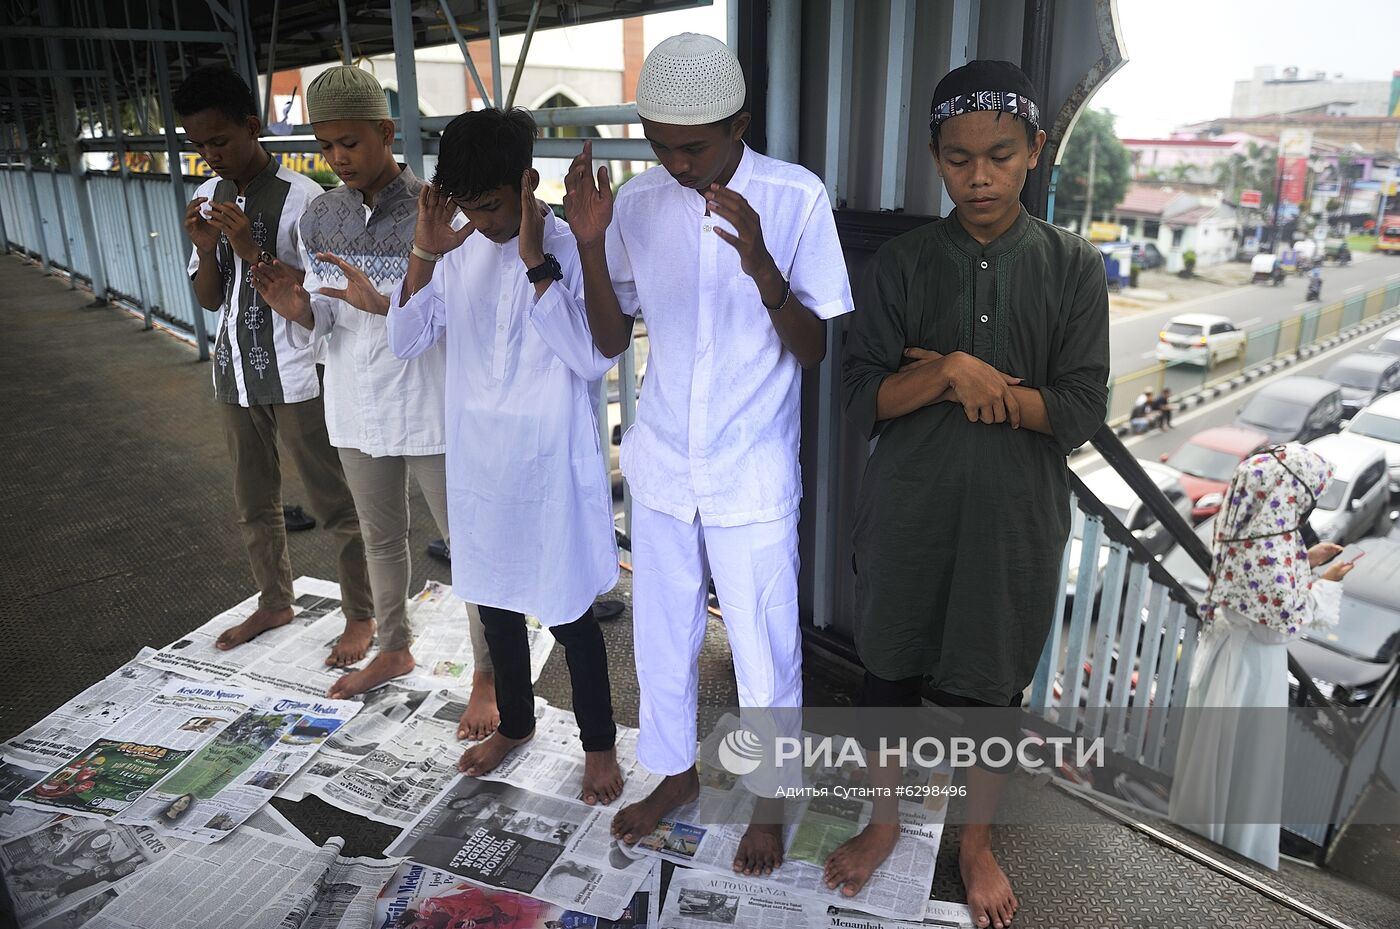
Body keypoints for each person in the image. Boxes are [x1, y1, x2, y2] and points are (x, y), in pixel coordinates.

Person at [562, 33, 855, 874]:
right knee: (660, 635)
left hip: (750, 468)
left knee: (763, 643)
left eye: (692, 146)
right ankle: (678, 774)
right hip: (660, 466)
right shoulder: (643, 205)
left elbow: (813, 349)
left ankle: (770, 797)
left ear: (741, 125)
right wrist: (588, 239)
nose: (675, 162)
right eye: (660, 144)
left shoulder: (795, 198)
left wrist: (763, 264)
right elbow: (613, 333)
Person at [838, 60, 1109, 928]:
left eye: (999, 154)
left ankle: (976, 841)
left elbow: (1078, 412)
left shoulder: (1074, 268)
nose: (979, 176)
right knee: (888, 674)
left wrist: (979, 384)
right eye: (958, 159)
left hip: (1012, 526)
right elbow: (861, 396)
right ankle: (885, 821)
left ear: (1035, 149)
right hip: (908, 512)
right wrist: (954, 372)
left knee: (989, 691)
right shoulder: (907, 263)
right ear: (934, 157)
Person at [243, 67, 498, 733]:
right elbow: (325, 318)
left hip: (434, 404)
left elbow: (459, 316)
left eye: (350, 142)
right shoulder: (320, 214)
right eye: (326, 146)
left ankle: (486, 676)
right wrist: (297, 306)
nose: (338, 158)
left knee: (469, 546)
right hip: (355, 405)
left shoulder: (438, 209)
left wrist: (384, 305)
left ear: (386, 133)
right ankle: (394, 647)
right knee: (382, 538)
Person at [388, 108, 624, 805]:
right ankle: (516, 724)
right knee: (493, 602)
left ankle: (599, 744)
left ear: (527, 183)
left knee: (570, 612)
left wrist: (535, 264)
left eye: (489, 205)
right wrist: (426, 252)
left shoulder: (569, 245)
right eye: (464, 204)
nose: (478, 219)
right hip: (481, 463)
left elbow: (589, 354)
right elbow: (405, 341)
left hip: (549, 464)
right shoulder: (455, 246)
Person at [175, 65, 374, 663]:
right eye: (198, 145)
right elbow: (209, 297)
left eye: (220, 141)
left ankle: (361, 614)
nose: (210, 156)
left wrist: (248, 248)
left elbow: (318, 295)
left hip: (294, 368)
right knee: (253, 500)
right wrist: (210, 250)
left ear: (251, 127)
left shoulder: (305, 199)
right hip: (233, 367)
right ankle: (273, 599)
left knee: (334, 499)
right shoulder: (208, 198)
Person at [1169, 444, 1354, 868]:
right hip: (1251, 668)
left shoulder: (1251, 529)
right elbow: (1280, 622)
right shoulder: (1271, 543)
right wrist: (1324, 582)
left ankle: (1207, 834)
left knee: (1220, 757)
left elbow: (1261, 587)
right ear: (1290, 493)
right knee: (1246, 763)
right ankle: (1235, 854)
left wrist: (1306, 561)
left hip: (1230, 660)